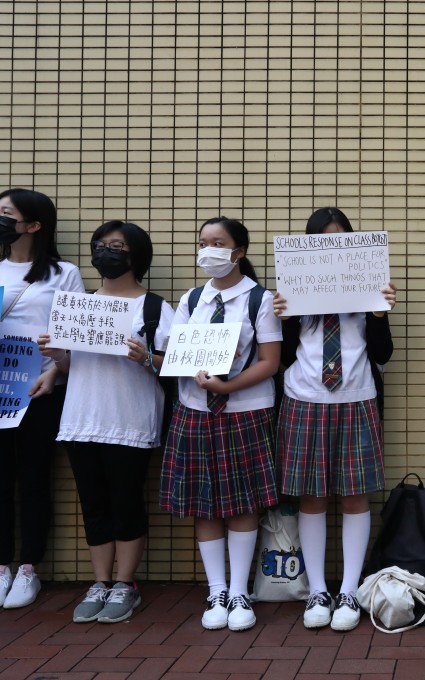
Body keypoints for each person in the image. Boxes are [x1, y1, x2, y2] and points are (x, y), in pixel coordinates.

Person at [40, 221, 174, 623]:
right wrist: (56, 353)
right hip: (82, 418)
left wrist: (145, 357)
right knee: (93, 504)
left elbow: (176, 368)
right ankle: (100, 581)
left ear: (136, 256)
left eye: (118, 246)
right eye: (101, 245)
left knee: (127, 502)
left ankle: (125, 584)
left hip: (130, 420)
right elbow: (67, 365)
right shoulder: (77, 305)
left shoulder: (154, 308)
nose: (107, 252)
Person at [273, 207, 397, 632]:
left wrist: (380, 313)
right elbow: (283, 357)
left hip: (356, 396)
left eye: (341, 239)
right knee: (310, 496)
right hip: (304, 397)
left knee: (355, 495)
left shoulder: (366, 290)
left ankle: (348, 589)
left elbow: (382, 354)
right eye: (324, 240)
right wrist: (284, 317)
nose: (333, 249)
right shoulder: (295, 292)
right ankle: (317, 590)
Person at [159, 217, 282, 632]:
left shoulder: (259, 300)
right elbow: (177, 352)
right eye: (203, 242)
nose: (209, 250)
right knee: (203, 502)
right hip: (194, 410)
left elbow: (270, 361)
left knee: (243, 501)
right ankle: (216, 590)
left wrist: (226, 384)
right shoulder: (191, 299)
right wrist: (172, 365)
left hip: (245, 411)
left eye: (219, 243)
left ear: (239, 252)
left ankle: (239, 591)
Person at [0, 188, 85, 609]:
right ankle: (1, 567)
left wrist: (54, 372)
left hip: (40, 389)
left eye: (5, 214)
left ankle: (29, 567)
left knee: (33, 478)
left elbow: (74, 338)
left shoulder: (62, 274)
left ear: (33, 225)